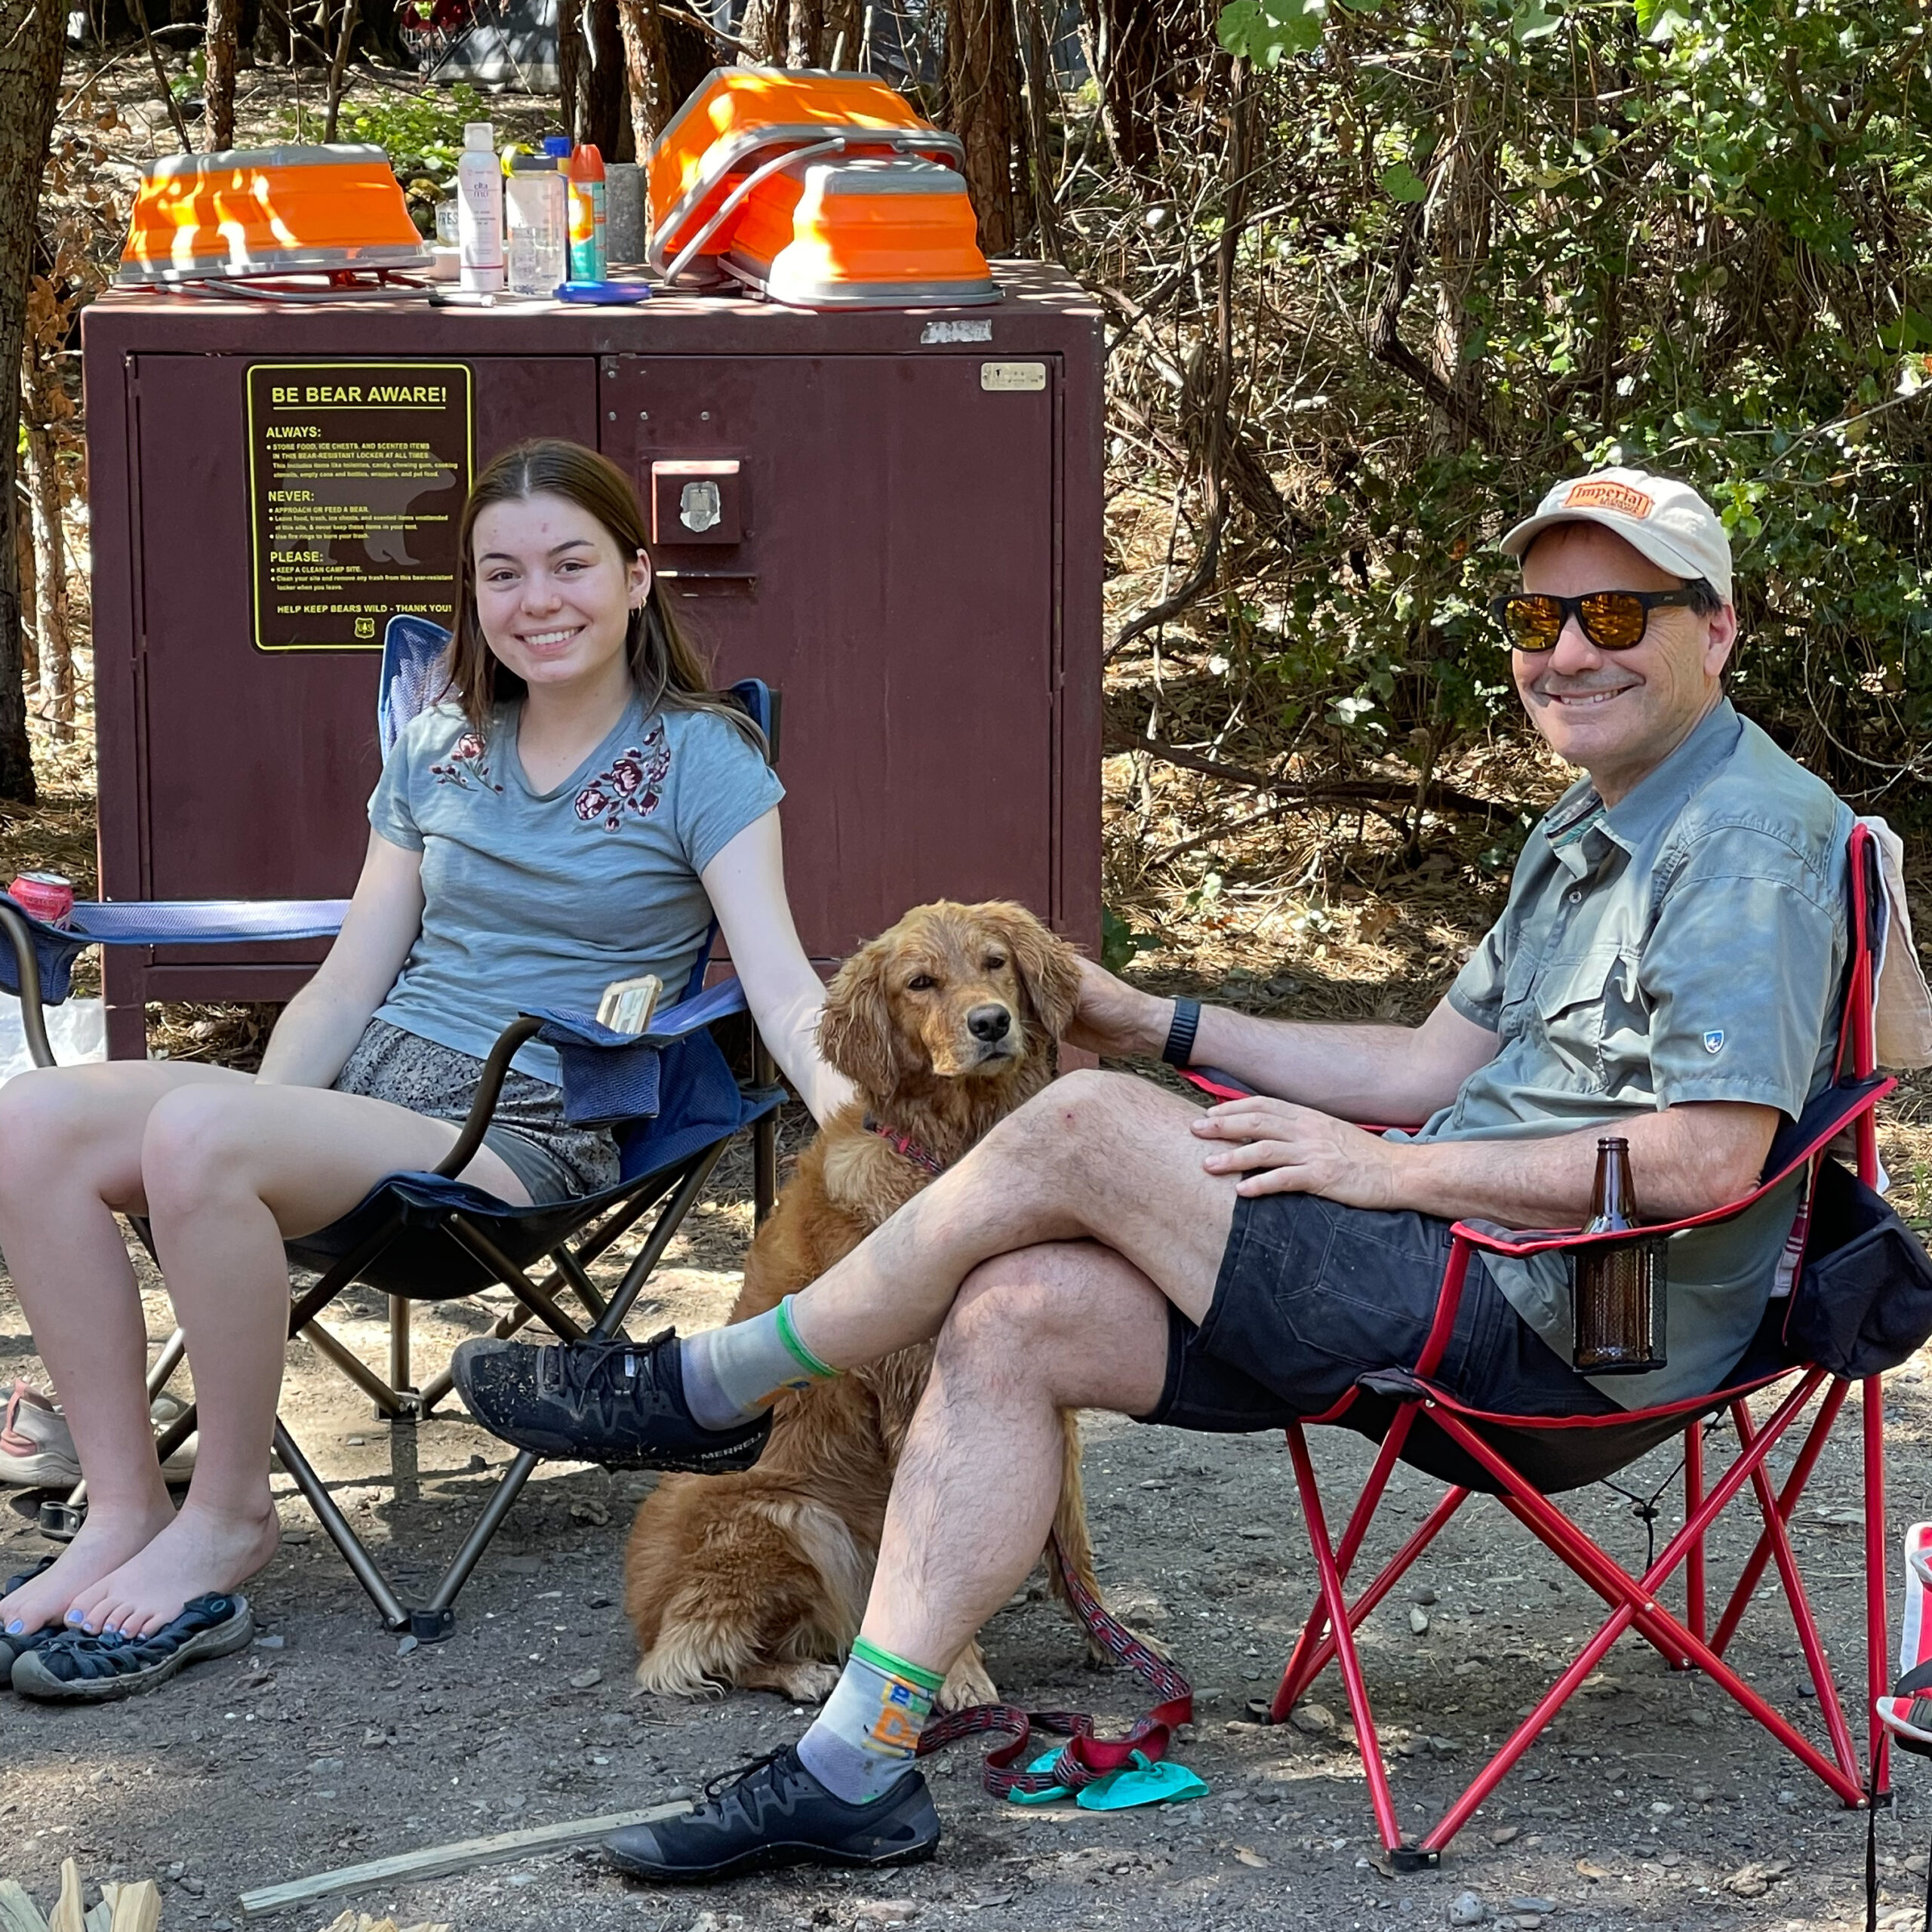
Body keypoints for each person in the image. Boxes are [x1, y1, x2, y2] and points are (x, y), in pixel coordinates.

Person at [452, 466, 1855, 1881]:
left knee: (1078, 1123)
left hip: (1568, 1326)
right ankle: (854, 1762)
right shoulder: (1591, 824)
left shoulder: (1740, 839)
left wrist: (1380, 1177)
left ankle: (706, 1386)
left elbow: (1703, 1161)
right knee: (1013, 1315)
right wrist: (1163, 1022)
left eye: (1616, 613)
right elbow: (1426, 1068)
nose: (1566, 652)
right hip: (1468, 1271)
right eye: (1538, 618)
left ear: (1716, 629)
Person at [0, 438, 851, 1682]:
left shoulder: (704, 758)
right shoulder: (442, 741)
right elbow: (352, 977)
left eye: (571, 564)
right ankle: (125, 1510)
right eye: (502, 574)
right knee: (30, 1122)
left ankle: (226, 1518)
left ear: (635, 577)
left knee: (198, 1135)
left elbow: (777, 983)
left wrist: (865, 1119)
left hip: (522, 1126)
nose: (537, 599)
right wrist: (254, 1129)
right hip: (372, 1097)